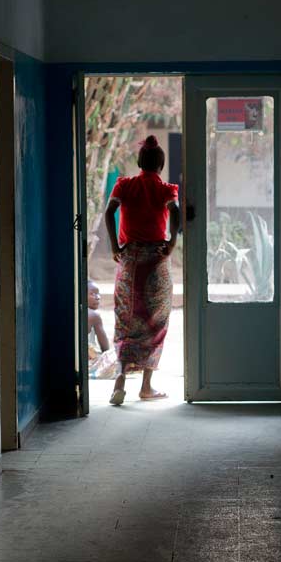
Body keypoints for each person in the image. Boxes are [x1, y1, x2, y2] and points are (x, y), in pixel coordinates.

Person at [104, 136, 180, 404]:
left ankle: (119, 383)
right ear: (160, 164)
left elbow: (108, 211)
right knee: (155, 322)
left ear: (139, 162)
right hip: (156, 262)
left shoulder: (124, 185)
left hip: (129, 261)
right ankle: (147, 386)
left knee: (125, 319)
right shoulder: (166, 189)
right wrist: (172, 243)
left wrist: (115, 246)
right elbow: (177, 212)